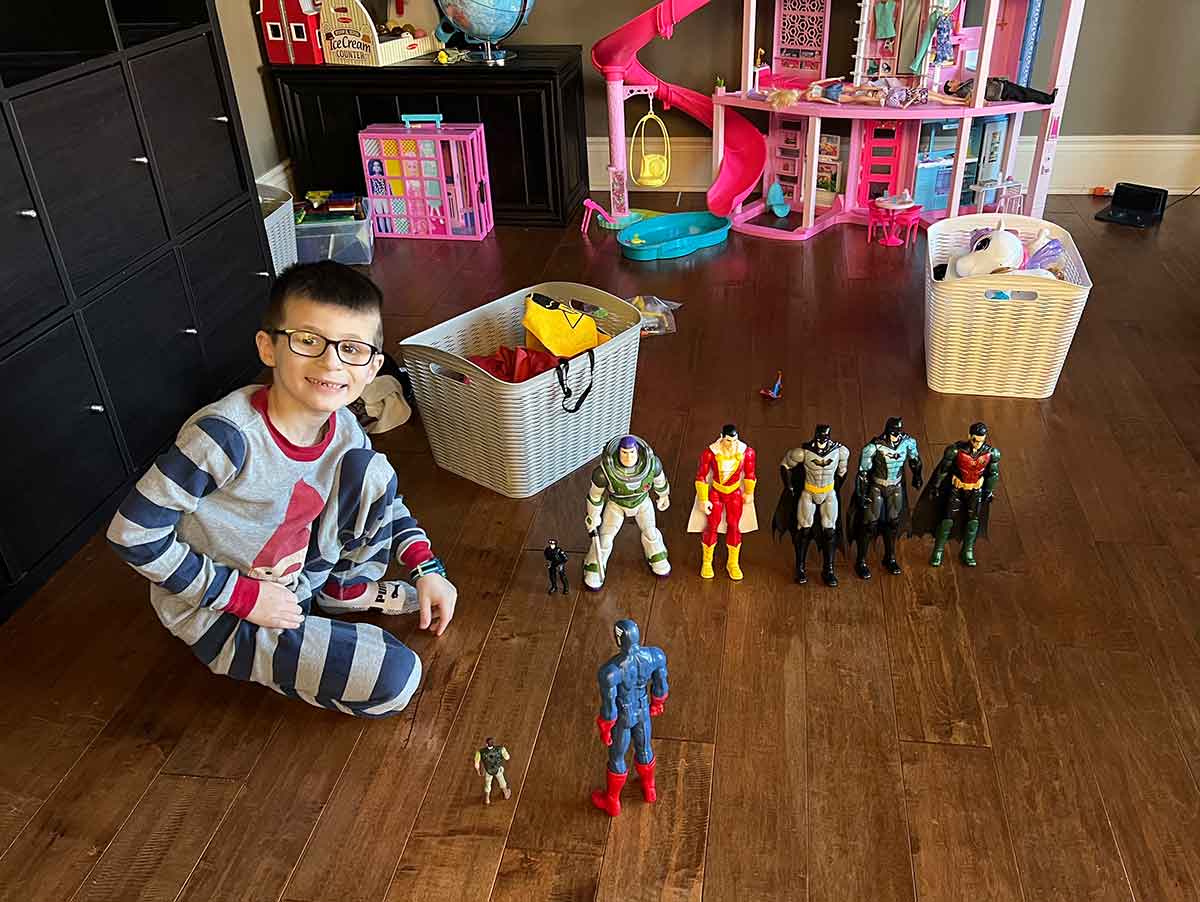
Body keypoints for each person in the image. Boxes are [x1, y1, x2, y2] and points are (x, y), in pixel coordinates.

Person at [107, 262, 458, 718]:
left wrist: (426, 568)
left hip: (297, 575)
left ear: (373, 367)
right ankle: (279, 629)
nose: (331, 362)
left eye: (351, 349)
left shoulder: (345, 426)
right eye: (308, 341)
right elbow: (132, 534)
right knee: (396, 678)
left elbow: (386, 502)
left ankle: (341, 590)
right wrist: (245, 598)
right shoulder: (224, 438)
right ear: (268, 347)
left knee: (371, 471)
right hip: (222, 609)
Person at [944, 77, 1057, 106]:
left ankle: (1047, 97)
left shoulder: (964, 85)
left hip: (1000, 86)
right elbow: (976, 91)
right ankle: (1048, 99)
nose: (954, 80)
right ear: (951, 89)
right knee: (1025, 94)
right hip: (999, 91)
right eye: (951, 82)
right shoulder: (963, 91)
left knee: (1025, 92)